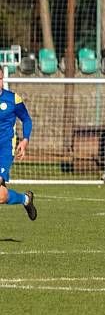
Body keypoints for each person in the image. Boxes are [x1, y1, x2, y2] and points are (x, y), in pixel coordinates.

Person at [0, 68, 36, 221]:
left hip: (5, 149)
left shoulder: (13, 99)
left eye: (0, 78)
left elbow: (26, 119)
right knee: (1, 196)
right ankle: (25, 199)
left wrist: (25, 140)